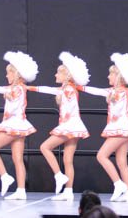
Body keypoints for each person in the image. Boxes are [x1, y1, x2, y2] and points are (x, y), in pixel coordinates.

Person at [27, 51, 91, 201]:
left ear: (66, 75)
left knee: (44, 147)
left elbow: (51, 90)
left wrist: (29, 88)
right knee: (68, 159)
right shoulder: (69, 89)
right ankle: (68, 192)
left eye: (58, 73)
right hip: (74, 125)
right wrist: (30, 88)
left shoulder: (67, 89)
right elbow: (50, 90)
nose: (55, 75)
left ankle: (58, 175)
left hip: (69, 125)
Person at [80, 53, 128, 202]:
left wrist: (110, 95)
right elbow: (97, 91)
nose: (108, 77)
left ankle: (118, 184)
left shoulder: (120, 92)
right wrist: (80, 87)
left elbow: (110, 98)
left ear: (118, 76)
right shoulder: (115, 91)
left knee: (101, 156)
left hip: (121, 128)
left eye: (110, 74)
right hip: (124, 129)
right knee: (121, 161)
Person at [0, 50, 38, 200]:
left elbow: (12, 107)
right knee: (17, 158)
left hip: (14, 124)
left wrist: (8, 96)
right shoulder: (17, 88)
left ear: (15, 74)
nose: (6, 76)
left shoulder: (17, 89)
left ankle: (5, 176)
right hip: (19, 125)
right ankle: (21, 190)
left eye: (8, 73)